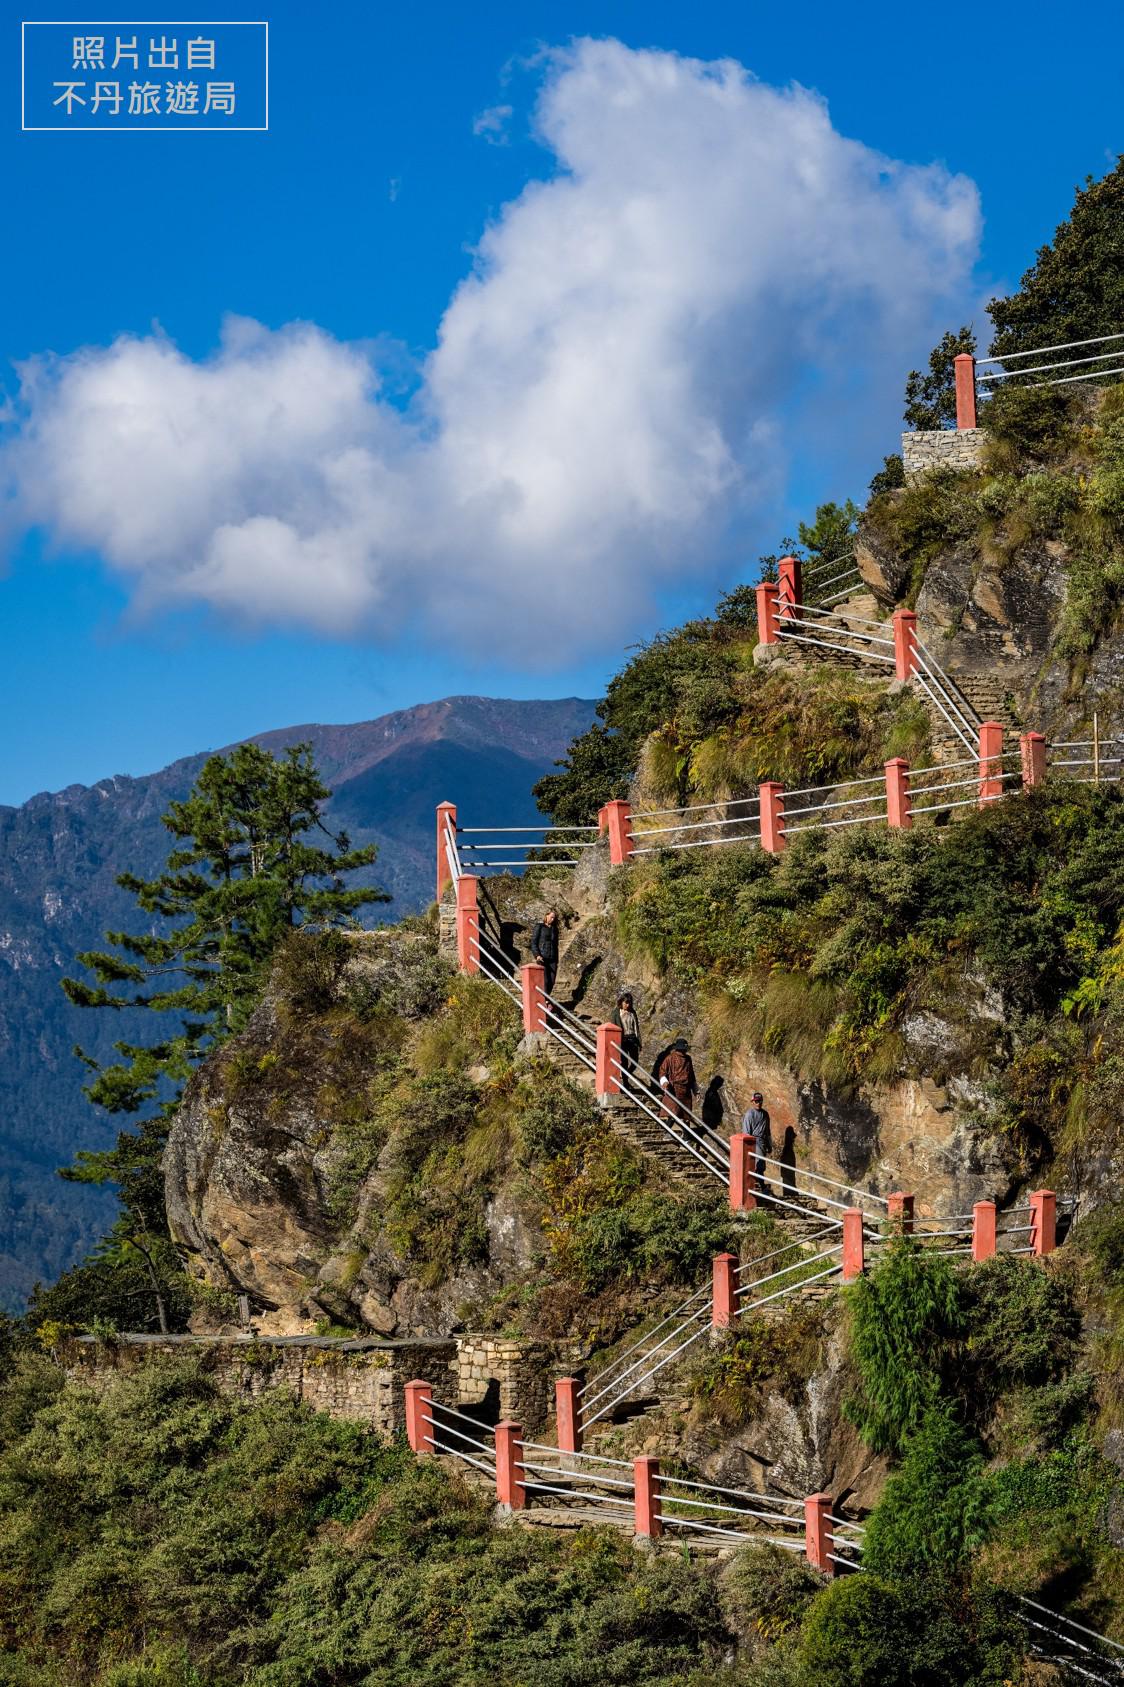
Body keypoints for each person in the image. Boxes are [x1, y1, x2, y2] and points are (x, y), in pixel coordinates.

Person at [656, 1038, 699, 1126]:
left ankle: (686, 1138)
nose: (684, 1051)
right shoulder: (670, 1058)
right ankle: (668, 1133)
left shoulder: (688, 1059)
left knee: (686, 1116)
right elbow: (662, 1071)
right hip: (673, 1089)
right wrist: (665, 1082)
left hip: (686, 1091)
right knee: (672, 1113)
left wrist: (696, 1091)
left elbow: (691, 1075)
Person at [740, 1091, 772, 1195]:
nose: (758, 1103)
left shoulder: (765, 1114)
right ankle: (762, 1187)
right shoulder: (749, 1114)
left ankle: (760, 1187)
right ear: (753, 1102)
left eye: (760, 1101)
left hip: (762, 1142)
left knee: (760, 1165)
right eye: (756, 1101)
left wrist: (769, 1144)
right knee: (757, 1165)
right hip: (753, 1141)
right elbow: (746, 1132)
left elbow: (767, 1131)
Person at [530, 909, 559, 995]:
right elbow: (534, 942)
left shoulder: (555, 929)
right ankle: (545, 1001)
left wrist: (557, 959)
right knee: (545, 980)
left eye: (554, 918)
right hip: (542, 957)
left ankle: (546, 998)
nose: (552, 919)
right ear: (546, 916)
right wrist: (537, 955)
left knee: (552, 981)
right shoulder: (539, 926)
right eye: (551, 917)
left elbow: (556, 945)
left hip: (553, 958)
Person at [612, 992, 642, 1075]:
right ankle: (625, 1082)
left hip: (632, 1039)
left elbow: (636, 1028)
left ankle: (626, 1075)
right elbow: (613, 1027)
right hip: (623, 1040)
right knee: (624, 1062)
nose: (628, 1005)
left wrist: (639, 1042)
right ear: (621, 1002)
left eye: (629, 1003)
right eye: (626, 1003)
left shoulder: (632, 1012)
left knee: (635, 1063)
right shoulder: (616, 1013)